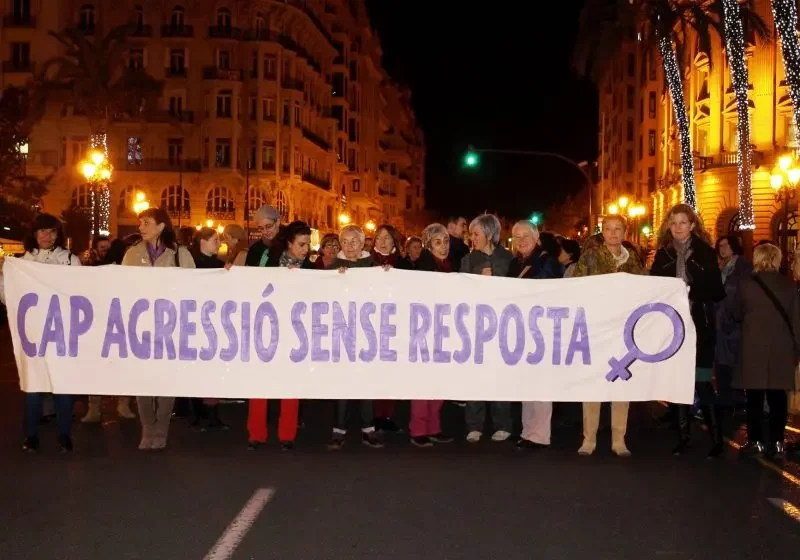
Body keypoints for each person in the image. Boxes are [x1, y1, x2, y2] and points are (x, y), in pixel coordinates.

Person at [0, 214, 81, 452]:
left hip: (62, 332)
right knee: (33, 386)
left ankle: (64, 433)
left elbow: (79, 294)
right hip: (33, 333)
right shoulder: (21, 262)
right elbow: (8, 298)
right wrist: (4, 277)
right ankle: (31, 435)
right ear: (34, 234)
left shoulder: (69, 260)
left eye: (52, 232)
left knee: (62, 386)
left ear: (58, 234)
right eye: (42, 232)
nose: (47, 237)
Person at [651, 203, 725, 457]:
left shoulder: (705, 253)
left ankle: (717, 439)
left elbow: (717, 291)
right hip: (673, 328)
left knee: (703, 382)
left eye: (683, 223)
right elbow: (654, 288)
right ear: (668, 226)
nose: (678, 228)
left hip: (701, 326)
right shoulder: (664, 255)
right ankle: (683, 438)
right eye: (674, 223)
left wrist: (690, 287)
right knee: (678, 381)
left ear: (692, 225)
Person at [572, 214, 645, 457]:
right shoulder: (591, 257)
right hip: (596, 328)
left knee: (621, 384)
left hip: (624, 331)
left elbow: (646, 287)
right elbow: (576, 286)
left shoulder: (632, 259)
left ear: (625, 232)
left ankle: (618, 439)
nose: (613, 234)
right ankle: (589, 438)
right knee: (593, 384)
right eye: (609, 229)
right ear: (602, 232)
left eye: (618, 229)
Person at [122, 208, 195, 450]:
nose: (141, 227)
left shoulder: (180, 255)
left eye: (146, 222)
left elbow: (195, 288)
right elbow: (120, 287)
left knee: (165, 381)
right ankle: (147, 427)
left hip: (169, 328)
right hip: (140, 327)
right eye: (139, 222)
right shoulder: (132, 254)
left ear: (161, 226)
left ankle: (161, 429)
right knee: (142, 382)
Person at [247, 221, 313, 451]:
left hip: (296, 335)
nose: (306, 249)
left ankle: (287, 434)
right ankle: (256, 434)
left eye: (308, 244)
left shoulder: (311, 270)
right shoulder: (269, 260)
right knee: (260, 385)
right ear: (289, 244)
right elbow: (249, 279)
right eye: (302, 244)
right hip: (267, 329)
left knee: (290, 386)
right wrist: (230, 273)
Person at [734, 243, 800, 459]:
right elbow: (796, 321)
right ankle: (777, 442)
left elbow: (735, 314)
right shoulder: (789, 286)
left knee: (754, 398)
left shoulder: (745, 285)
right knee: (778, 398)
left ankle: (756, 441)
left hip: (753, 349)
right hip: (781, 349)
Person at [326, 225, 383, 449]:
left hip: (367, 333)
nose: (349, 246)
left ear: (363, 244)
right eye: (346, 242)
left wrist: (386, 274)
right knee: (342, 383)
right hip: (342, 332)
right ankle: (339, 430)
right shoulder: (332, 267)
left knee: (366, 382)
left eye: (354, 242)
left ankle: (368, 430)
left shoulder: (373, 267)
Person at [507, 221, 562, 451]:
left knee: (540, 382)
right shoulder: (515, 263)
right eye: (516, 237)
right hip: (521, 328)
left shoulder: (546, 261)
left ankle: (540, 434)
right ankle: (527, 430)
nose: (521, 240)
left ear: (536, 235)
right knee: (526, 383)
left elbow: (546, 291)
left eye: (525, 235)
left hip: (541, 329)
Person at [460, 214, 514, 442]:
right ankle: (474, 424)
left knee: (499, 375)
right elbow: (461, 290)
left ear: (490, 234)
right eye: (471, 234)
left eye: (476, 234)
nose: (472, 238)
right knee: (476, 375)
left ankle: (502, 423)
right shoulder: (468, 260)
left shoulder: (508, 258)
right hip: (475, 326)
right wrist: (476, 279)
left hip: (502, 325)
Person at [407, 223, 455, 447]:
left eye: (446, 241)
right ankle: (419, 429)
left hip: (441, 331)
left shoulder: (445, 265)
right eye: (438, 242)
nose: (443, 246)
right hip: (424, 332)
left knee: (438, 382)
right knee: (422, 382)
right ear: (427, 244)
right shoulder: (426, 267)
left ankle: (433, 427)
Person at [188, 228, 229, 431]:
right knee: (198, 371)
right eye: (215, 240)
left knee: (213, 371)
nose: (219, 243)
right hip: (197, 322)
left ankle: (212, 414)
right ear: (202, 241)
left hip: (215, 323)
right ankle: (198, 415)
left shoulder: (220, 266)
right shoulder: (192, 264)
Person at [369, 224, 407, 432]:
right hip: (373, 324)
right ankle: (373, 415)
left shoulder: (403, 264)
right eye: (378, 237)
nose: (382, 241)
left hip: (394, 324)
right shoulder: (366, 261)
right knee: (375, 372)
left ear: (394, 241)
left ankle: (387, 415)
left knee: (391, 372)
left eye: (387, 238)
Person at [714, 234, 751, 409]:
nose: (722, 249)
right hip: (719, 322)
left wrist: (734, 315)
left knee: (733, 362)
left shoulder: (742, 266)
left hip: (734, 323)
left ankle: (735, 399)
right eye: (720, 246)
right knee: (722, 363)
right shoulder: (721, 267)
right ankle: (725, 398)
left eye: (726, 245)